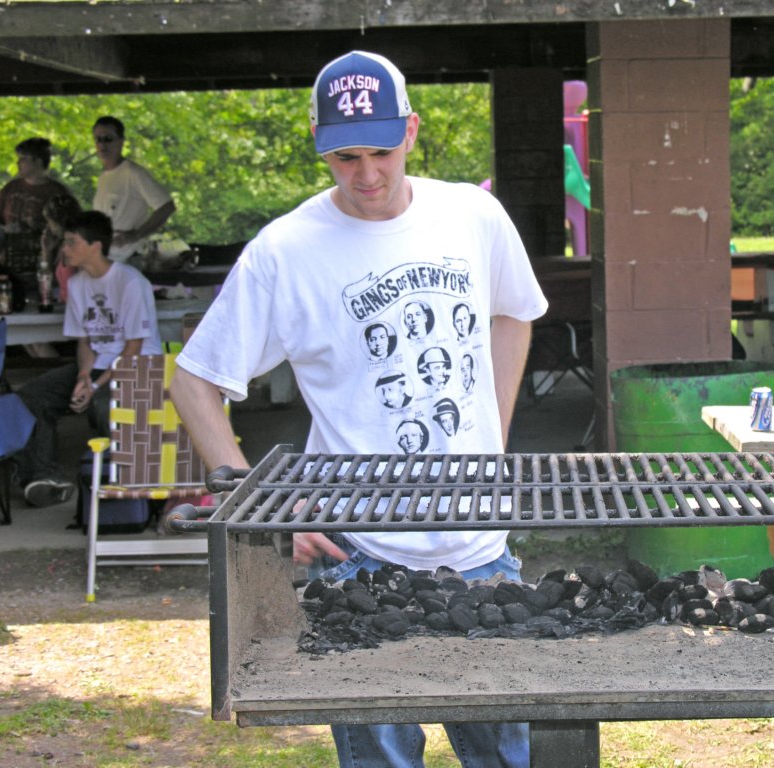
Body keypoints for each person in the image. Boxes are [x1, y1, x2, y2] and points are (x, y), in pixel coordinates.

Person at [169, 50, 547, 768]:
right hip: (360, 559)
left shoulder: (473, 214)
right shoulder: (285, 252)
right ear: (318, 142)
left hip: (482, 548)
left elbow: (514, 314)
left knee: (505, 756)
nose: (367, 175)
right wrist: (266, 509)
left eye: (380, 149)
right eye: (345, 157)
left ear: (411, 130)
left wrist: (495, 439)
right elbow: (195, 382)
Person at [11, 210, 163, 507]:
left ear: (96, 246)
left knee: (102, 405)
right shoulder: (79, 284)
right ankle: (44, 477)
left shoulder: (131, 282)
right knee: (32, 396)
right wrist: (83, 376)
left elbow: (133, 347)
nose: (64, 249)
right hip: (98, 366)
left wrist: (94, 386)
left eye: (71, 242)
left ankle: (131, 489)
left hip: (138, 366)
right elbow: (85, 342)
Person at [91, 116, 176, 263]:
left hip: (129, 259)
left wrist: (136, 235)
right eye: (98, 139)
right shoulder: (103, 178)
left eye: (108, 139)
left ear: (121, 141)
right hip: (106, 260)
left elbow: (167, 206)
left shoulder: (133, 173)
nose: (102, 144)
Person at [0, 137, 76, 267]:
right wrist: (5, 230)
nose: (18, 162)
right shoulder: (10, 188)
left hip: (42, 264)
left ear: (38, 162)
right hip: (7, 262)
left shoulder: (58, 193)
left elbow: (70, 230)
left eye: (23, 158)